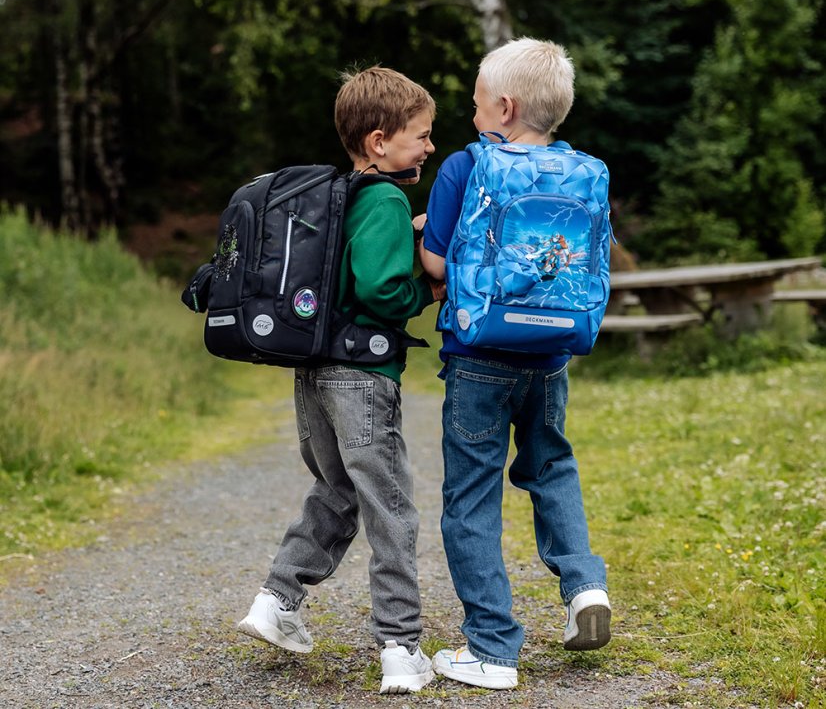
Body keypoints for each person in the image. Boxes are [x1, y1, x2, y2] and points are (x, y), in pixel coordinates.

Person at [238, 66, 445, 695]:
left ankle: (276, 601)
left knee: (337, 492)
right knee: (391, 509)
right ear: (380, 142)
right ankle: (401, 648)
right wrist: (426, 288)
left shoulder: (341, 195)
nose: (430, 147)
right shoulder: (385, 198)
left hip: (314, 373)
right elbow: (380, 288)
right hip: (361, 376)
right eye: (421, 136)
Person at [418, 38, 611, 691]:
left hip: (479, 359)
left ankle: (493, 651)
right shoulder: (586, 172)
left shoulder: (465, 167)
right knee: (551, 466)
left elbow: (441, 269)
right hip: (552, 357)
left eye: (474, 106)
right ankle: (584, 587)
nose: (471, 118)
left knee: (471, 497)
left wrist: (423, 237)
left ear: (502, 107)